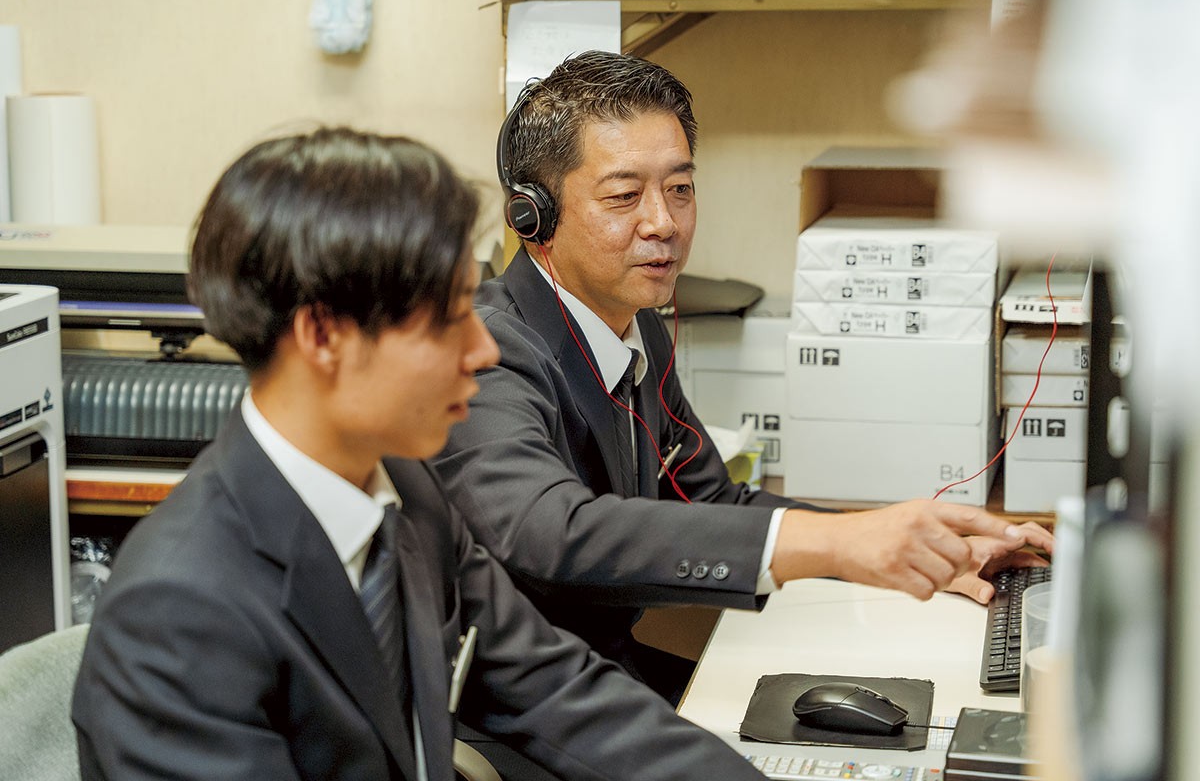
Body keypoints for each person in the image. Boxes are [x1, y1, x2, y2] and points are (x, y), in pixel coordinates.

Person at [70, 127, 775, 781]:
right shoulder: (179, 611)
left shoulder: (404, 492)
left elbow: (552, 687)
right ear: (323, 336)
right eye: (446, 320)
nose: (484, 349)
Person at [434, 50, 1054, 704]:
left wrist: (914, 547)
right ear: (535, 218)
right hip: (529, 705)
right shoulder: (490, 349)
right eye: (624, 196)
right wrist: (840, 543)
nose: (664, 223)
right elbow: (549, 533)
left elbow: (709, 500)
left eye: (680, 188)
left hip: (609, 681)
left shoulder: (634, 324)